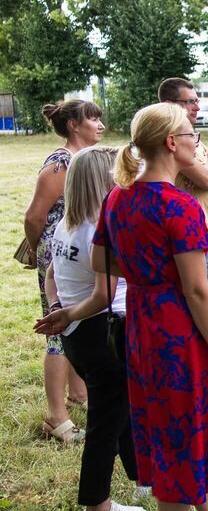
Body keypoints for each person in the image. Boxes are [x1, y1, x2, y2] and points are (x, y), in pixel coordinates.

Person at [93, 102, 208, 511]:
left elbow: (103, 262)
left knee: (165, 422)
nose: (196, 140)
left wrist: (147, 274)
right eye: (190, 132)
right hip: (179, 329)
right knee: (183, 426)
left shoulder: (117, 197)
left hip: (142, 321)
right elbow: (198, 292)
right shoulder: (180, 206)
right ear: (170, 143)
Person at [35, 146, 146, 511]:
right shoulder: (102, 229)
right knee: (105, 423)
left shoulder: (66, 223)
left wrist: (57, 312)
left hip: (78, 335)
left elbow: (51, 276)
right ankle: (97, 507)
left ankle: (142, 477)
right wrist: (66, 313)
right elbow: (102, 295)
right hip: (102, 333)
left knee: (122, 407)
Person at [24, 100, 103, 442]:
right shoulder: (60, 163)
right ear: (73, 125)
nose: (99, 124)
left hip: (76, 251)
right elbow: (34, 216)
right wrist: (38, 250)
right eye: (92, 118)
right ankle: (56, 417)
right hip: (60, 254)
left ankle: (78, 394)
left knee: (77, 323)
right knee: (58, 328)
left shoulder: (82, 160)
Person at [157, 78, 208, 292]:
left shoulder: (192, 139)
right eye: (190, 101)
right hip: (194, 229)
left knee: (207, 295)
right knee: (195, 297)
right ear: (170, 104)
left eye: (196, 101)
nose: (197, 107)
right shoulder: (170, 140)